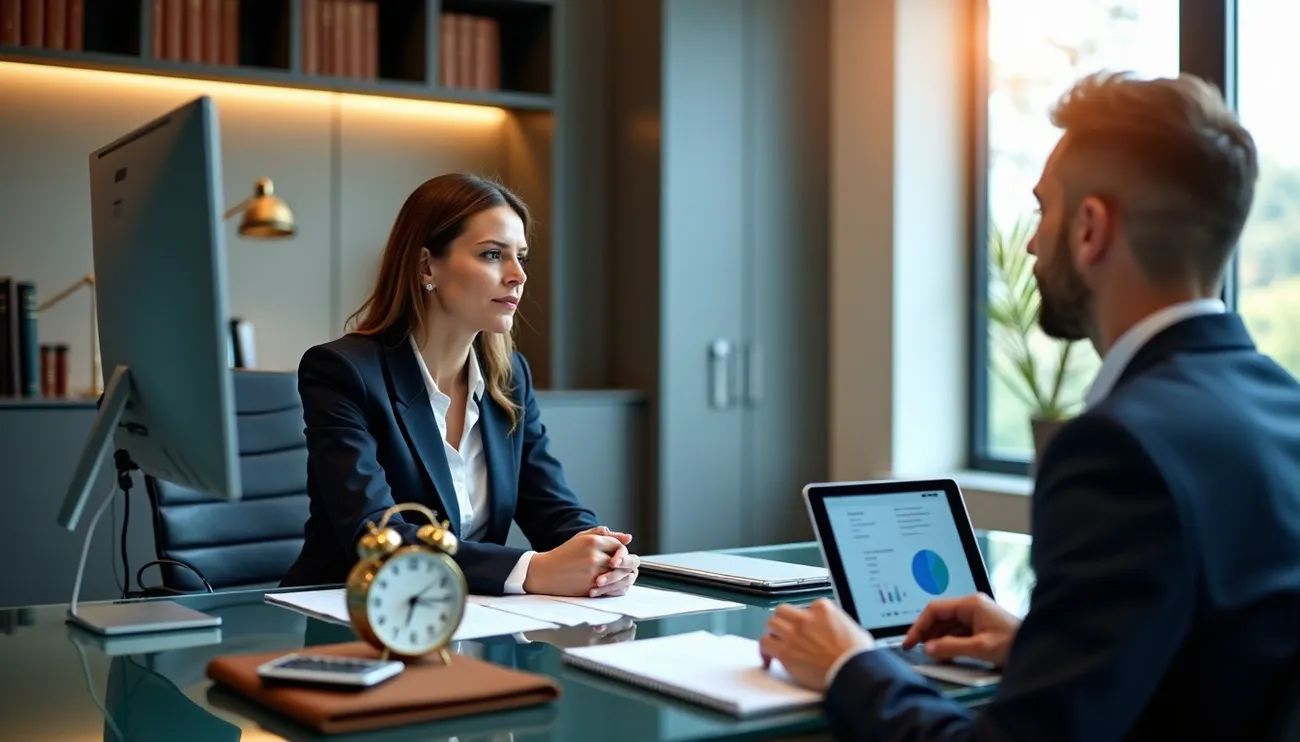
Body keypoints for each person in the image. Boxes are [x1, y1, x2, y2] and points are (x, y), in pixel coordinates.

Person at [759, 71, 1300, 740]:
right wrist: (1044, 650)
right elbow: (1230, 664)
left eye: (1045, 209)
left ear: (1090, 228)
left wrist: (849, 666)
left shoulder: (1118, 448)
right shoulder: (1284, 407)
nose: (1033, 244)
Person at [281, 174, 640, 598]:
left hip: (468, 617)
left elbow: (550, 504)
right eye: (493, 255)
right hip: (354, 616)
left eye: (521, 257)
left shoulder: (509, 376)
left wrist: (599, 553)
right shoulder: (343, 372)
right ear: (425, 265)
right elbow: (375, 536)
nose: (518, 276)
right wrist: (529, 570)